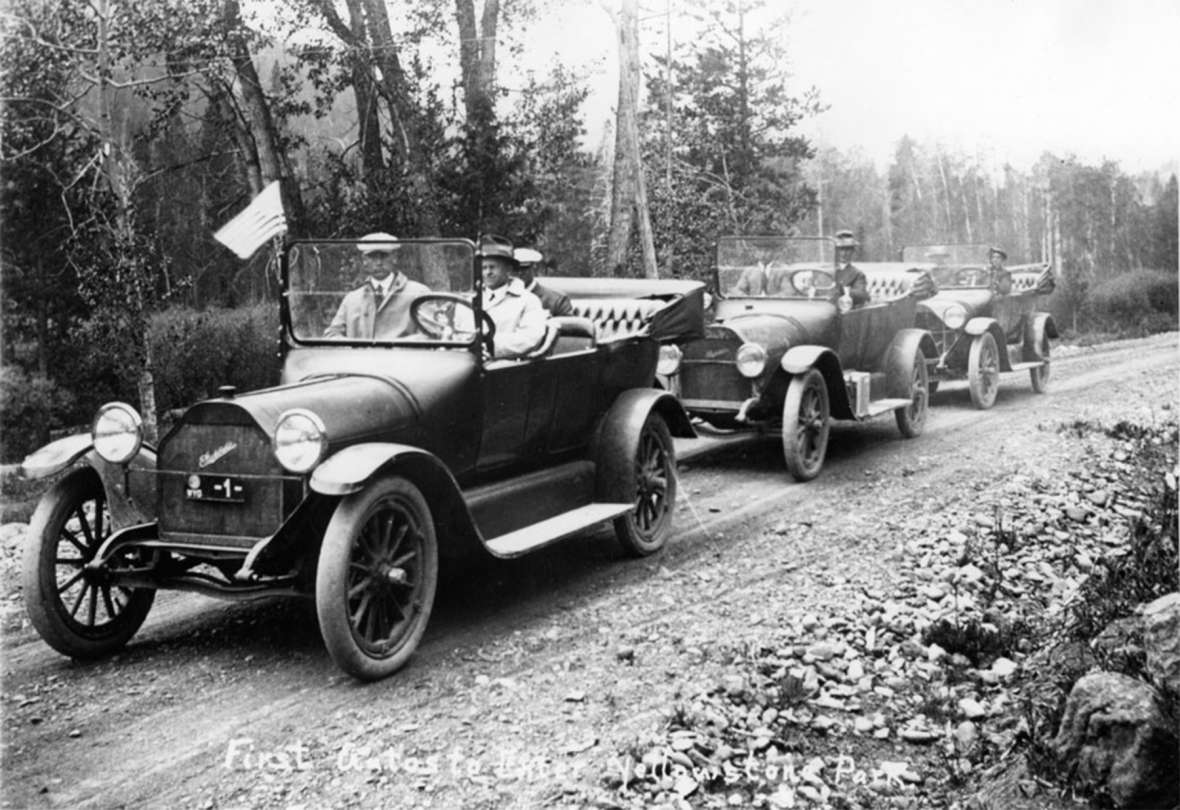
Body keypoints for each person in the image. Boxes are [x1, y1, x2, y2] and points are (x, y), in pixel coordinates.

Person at [324, 232, 430, 339]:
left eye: (384, 256)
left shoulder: (418, 294)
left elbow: (432, 334)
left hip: (403, 355)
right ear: (364, 261)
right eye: (373, 257)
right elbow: (331, 334)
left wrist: (395, 349)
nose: (379, 262)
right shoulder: (352, 300)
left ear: (395, 258)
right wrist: (355, 349)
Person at [479, 235, 548, 358]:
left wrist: (490, 346)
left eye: (493, 267)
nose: (487, 272)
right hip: (467, 362)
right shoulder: (470, 298)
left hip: (507, 367)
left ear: (508, 270)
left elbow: (530, 338)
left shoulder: (528, 301)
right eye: (484, 267)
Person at [512, 247, 573, 316]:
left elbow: (569, 324)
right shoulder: (503, 298)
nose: (519, 273)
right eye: (515, 269)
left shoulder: (557, 301)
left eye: (524, 268)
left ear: (534, 268)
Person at [832, 230, 870, 309]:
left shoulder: (857, 274)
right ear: (835, 250)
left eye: (847, 249)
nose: (843, 253)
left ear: (853, 251)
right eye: (840, 249)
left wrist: (843, 290)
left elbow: (861, 294)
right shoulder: (827, 271)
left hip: (843, 312)